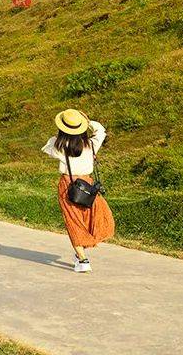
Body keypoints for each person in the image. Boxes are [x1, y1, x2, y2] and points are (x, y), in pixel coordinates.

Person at [42, 109, 115, 273]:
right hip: (87, 184)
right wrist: (87, 122)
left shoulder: (59, 146)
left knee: (73, 221)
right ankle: (81, 254)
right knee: (90, 218)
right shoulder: (91, 144)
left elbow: (48, 145)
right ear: (81, 128)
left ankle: (83, 260)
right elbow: (101, 130)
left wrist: (62, 135)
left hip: (68, 185)